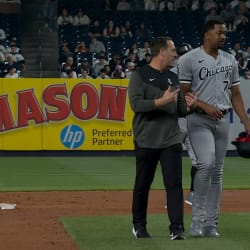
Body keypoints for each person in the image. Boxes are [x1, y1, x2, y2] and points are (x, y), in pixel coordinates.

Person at [178, 19, 250, 238]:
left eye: (225, 33)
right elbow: (183, 94)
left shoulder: (230, 59)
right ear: (207, 34)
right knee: (206, 164)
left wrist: (246, 123)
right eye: (219, 33)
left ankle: (211, 224)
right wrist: (204, 106)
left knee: (217, 173)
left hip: (222, 121)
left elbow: (235, 94)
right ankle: (196, 222)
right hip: (198, 119)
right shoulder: (188, 59)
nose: (223, 36)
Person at [128, 36, 196, 240]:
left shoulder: (173, 78)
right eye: (173, 50)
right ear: (161, 52)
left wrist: (190, 106)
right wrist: (161, 101)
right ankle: (139, 225)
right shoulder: (139, 75)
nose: (176, 54)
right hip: (146, 139)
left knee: (174, 184)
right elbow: (136, 105)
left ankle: (177, 229)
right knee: (142, 184)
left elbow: (181, 110)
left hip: (170, 139)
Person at [167, 43, 198, 207]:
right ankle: (174, 197)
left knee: (197, 162)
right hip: (178, 121)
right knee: (173, 161)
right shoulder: (171, 74)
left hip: (191, 121)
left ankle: (192, 194)